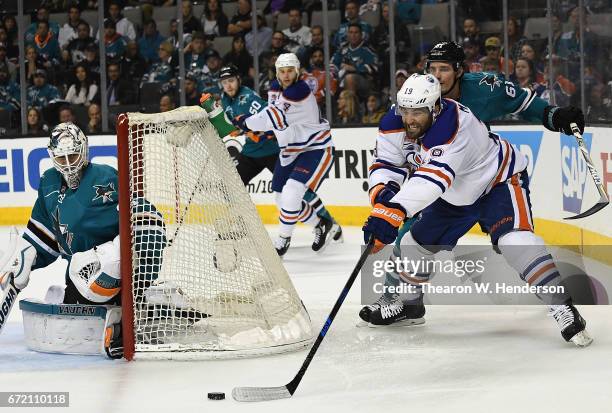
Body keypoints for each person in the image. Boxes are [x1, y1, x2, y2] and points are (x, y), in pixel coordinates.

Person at [360, 41, 586, 325]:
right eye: (433, 69)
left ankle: (561, 305)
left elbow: (522, 102)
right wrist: (383, 199)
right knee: (410, 241)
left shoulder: (468, 103)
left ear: (459, 71)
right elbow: (388, 163)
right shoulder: (406, 112)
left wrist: (552, 115)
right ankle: (405, 302)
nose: (438, 75)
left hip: (494, 181)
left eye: (445, 69)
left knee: (515, 241)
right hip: (454, 190)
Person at [0, 122, 165, 356]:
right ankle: (115, 314)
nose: (68, 165)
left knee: (100, 261)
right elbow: (44, 236)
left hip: (111, 271)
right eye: (61, 158)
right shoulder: (48, 183)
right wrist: (26, 259)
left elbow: (146, 215)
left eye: (73, 155)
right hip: (79, 278)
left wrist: (137, 263)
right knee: (72, 267)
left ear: (84, 150)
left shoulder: (105, 177)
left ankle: (132, 311)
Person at [201, 64, 343, 252]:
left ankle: (328, 222)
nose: (228, 85)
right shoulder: (226, 101)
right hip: (251, 153)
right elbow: (234, 125)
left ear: (238, 80)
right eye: (224, 82)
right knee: (232, 185)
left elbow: (273, 121)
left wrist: (253, 131)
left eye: (231, 81)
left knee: (298, 191)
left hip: (273, 151)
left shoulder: (248, 98)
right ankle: (239, 224)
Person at [331, 24, 378, 97]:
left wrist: (355, 68)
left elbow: (374, 67)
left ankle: (350, 106)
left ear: (361, 35)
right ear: (347, 34)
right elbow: (332, 64)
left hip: (365, 81)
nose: (353, 35)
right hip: (342, 78)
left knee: (350, 78)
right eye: (351, 32)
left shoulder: (367, 49)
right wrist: (334, 73)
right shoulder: (342, 48)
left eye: (356, 33)